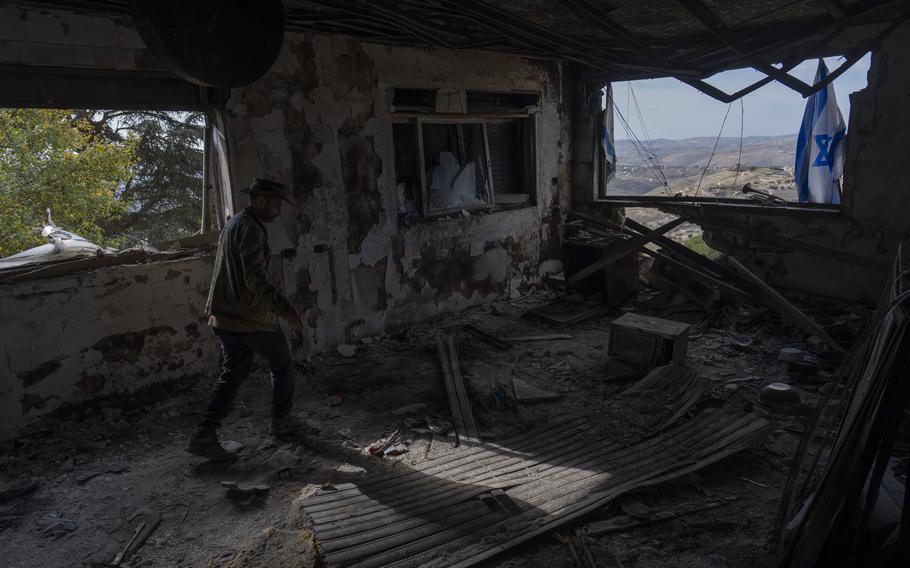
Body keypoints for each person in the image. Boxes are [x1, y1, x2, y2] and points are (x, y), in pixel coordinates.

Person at [187, 178, 308, 461]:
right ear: (261, 200)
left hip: (225, 315)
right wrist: (286, 310)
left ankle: (204, 435)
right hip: (249, 318)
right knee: (282, 365)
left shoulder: (236, 222)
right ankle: (283, 422)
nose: (279, 210)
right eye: (277, 204)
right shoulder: (250, 229)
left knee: (235, 372)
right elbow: (255, 280)